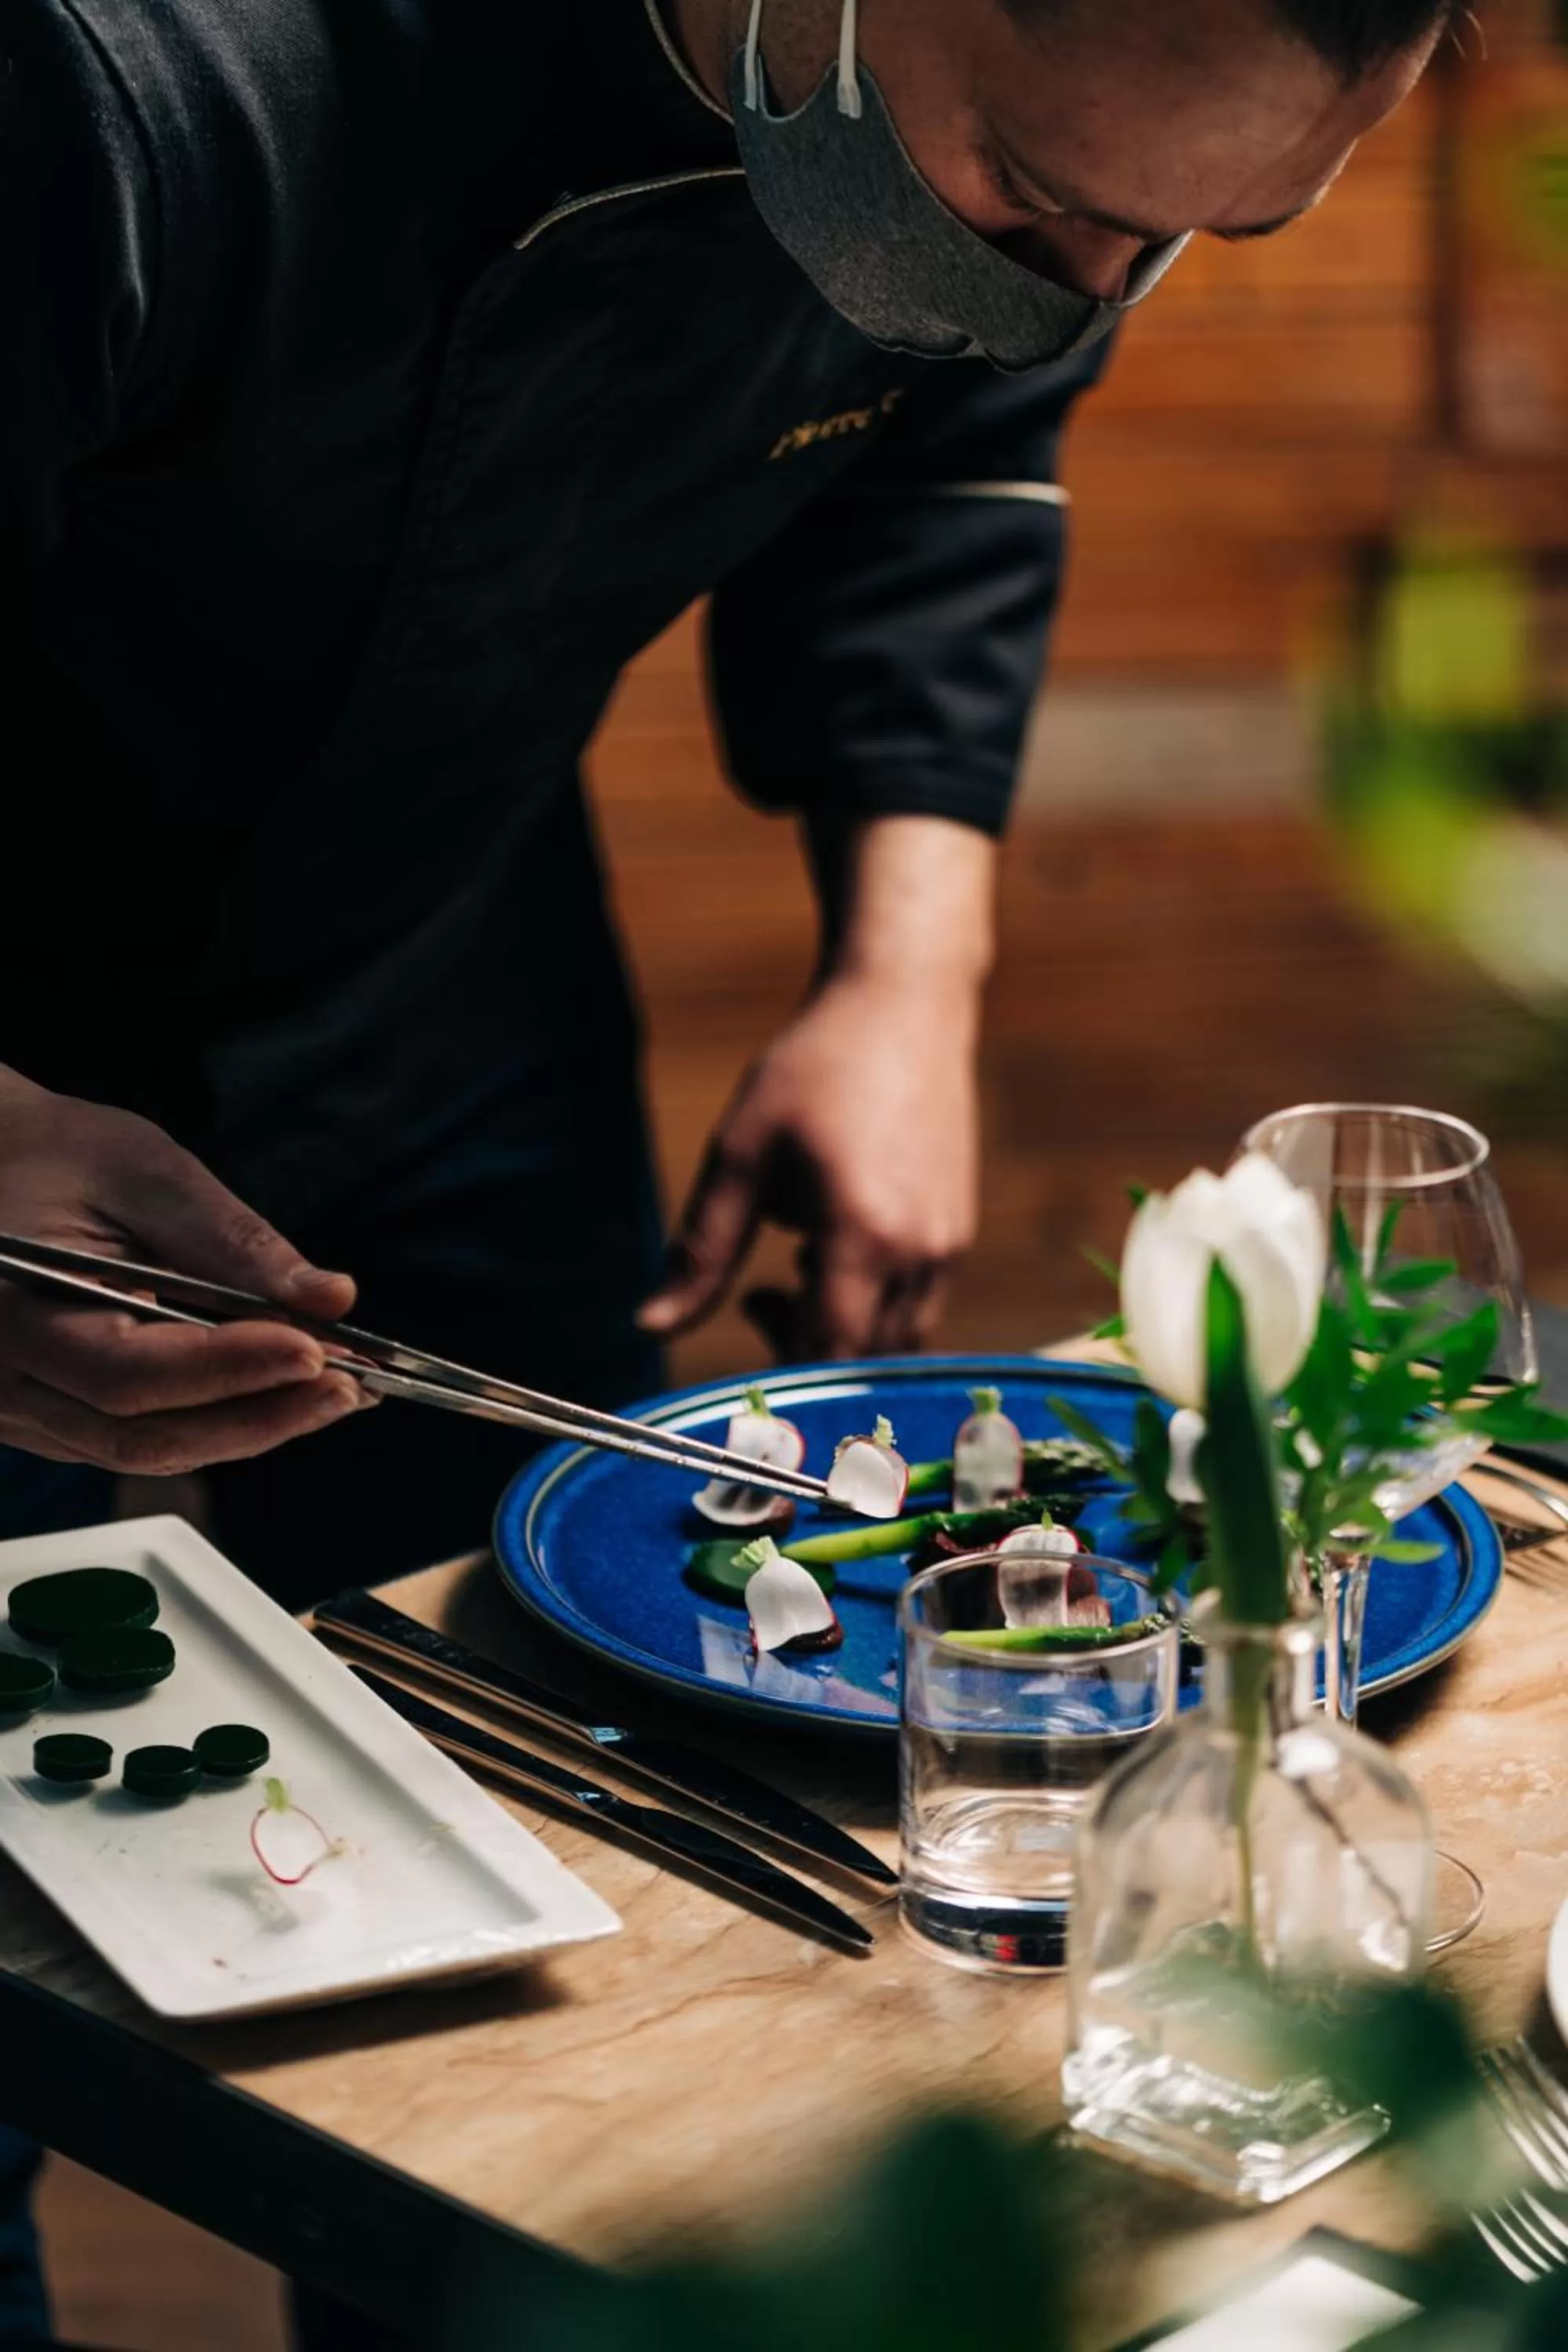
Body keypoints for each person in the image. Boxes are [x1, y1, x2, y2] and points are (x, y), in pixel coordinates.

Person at [0, 0, 1452, 2340]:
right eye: (1030, 197)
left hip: (438, 992)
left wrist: (908, 972)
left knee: (498, 1927)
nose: (1078, 292)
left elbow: (955, 423)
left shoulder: (1021, 188)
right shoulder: (106, 83)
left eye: (1192, 233)